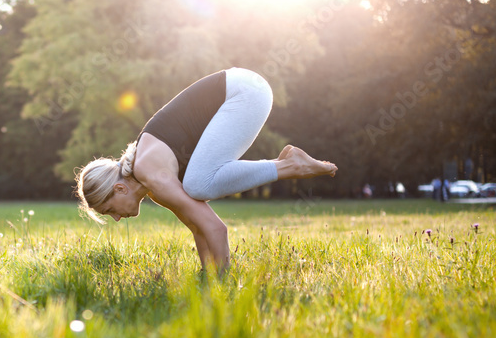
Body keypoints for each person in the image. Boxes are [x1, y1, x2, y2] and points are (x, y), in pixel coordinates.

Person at [74, 67, 337, 272]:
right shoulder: (152, 184)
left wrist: (220, 281)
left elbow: (216, 228)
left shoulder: (149, 172)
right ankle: (289, 164)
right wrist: (207, 273)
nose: (117, 219)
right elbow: (197, 225)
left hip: (245, 91)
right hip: (245, 88)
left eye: (110, 211)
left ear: (120, 188)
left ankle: (290, 166)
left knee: (198, 185)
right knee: (197, 187)